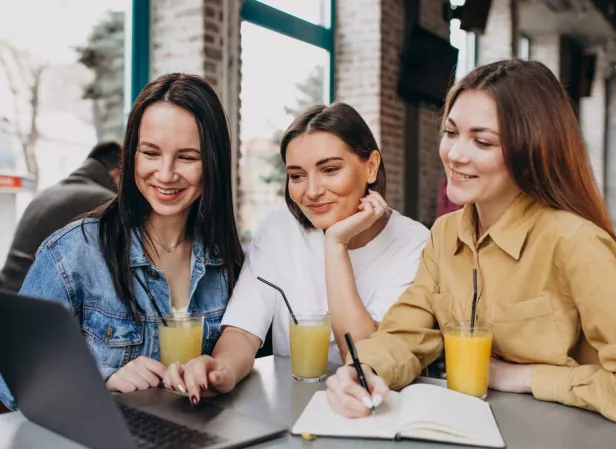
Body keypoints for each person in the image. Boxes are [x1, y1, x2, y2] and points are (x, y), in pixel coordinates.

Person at [325, 59, 616, 422]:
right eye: (451, 132)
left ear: (532, 150)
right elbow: (405, 334)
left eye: (481, 141)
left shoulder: (577, 243)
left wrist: (526, 376)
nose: (455, 154)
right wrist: (364, 371)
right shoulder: (445, 234)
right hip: (471, 431)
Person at [0, 73, 244, 411]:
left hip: (199, 446)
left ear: (214, 163)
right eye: (151, 153)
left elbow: (249, 366)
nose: (166, 173)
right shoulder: (73, 253)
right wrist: (102, 379)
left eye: (187, 157)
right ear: (131, 155)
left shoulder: (227, 261)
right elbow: (9, 375)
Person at [163, 102, 429, 405]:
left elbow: (366, 362)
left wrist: (336, 245)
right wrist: (220, 369)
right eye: (297, 175)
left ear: (370, 166)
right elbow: (243, 332)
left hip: (372, 412)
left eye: (330, 170)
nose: (312, 191)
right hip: (291, 412)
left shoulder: (415, 243)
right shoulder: (278, 230)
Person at [0, 141, 121, 293]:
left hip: (9, 298)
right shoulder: (104, 202)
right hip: (41, 306)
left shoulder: (48, 194)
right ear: (116, 174)